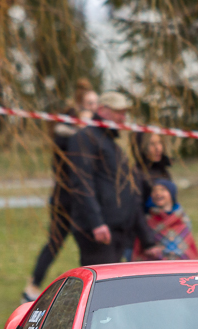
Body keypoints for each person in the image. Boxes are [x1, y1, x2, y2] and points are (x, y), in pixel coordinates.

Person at [23, 80, 98, 301]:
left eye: (96, 104)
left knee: (85, 244)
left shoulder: (86, 136)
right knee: (56, 241)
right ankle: (32, 287)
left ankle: (90, 289)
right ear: (79, 109)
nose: (95, 109)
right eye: (90, 104)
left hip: (77, 199)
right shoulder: (68, 138)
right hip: (66, 198)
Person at [66, 92, 162, 265]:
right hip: (99, 232)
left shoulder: (113, 144)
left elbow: (131, 192)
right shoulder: (85, 138)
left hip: (118, 231)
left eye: (124, 113)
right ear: (102, 110)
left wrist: (147, 240)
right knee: (101, 280)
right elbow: (82, 183)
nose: (123, 117)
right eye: (119, 112)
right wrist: (96, 223)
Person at [133, 178, 198, 261]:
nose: (158, 193)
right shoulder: (148, 221)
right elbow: (141, 248)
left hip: (181, 265)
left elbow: (188, 247)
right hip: (156, 264)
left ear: (171, 194)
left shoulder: (183, 219)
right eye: (154, 191)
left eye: (163, 190)